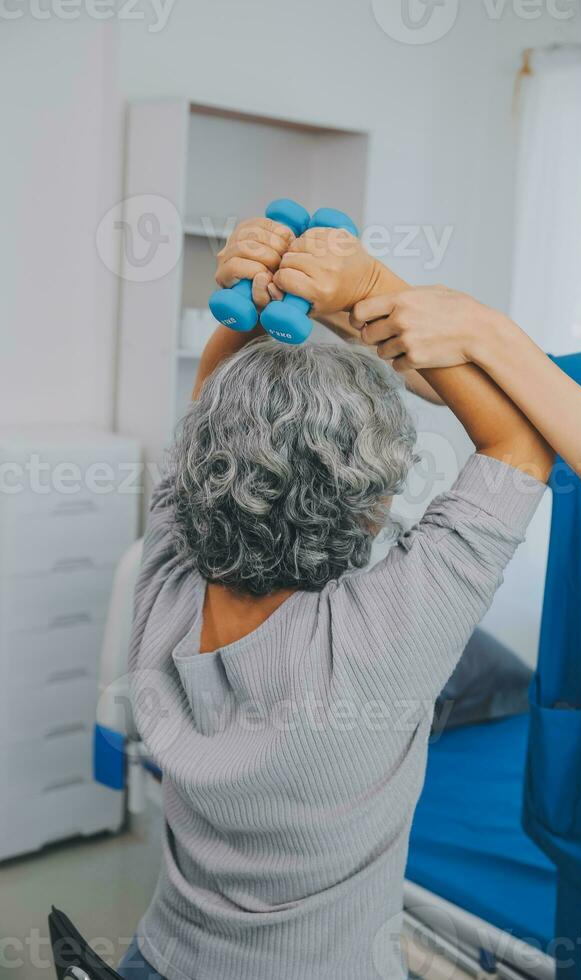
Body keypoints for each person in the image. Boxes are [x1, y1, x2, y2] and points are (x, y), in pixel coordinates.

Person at [120, 219, 552, 980]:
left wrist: (249, 292)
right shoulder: (378, 642)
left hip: (157, 959)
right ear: (369, 511)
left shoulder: (165, 585)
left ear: (200, 466)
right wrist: (373, 295)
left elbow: (206, 412)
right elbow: (520, 442)